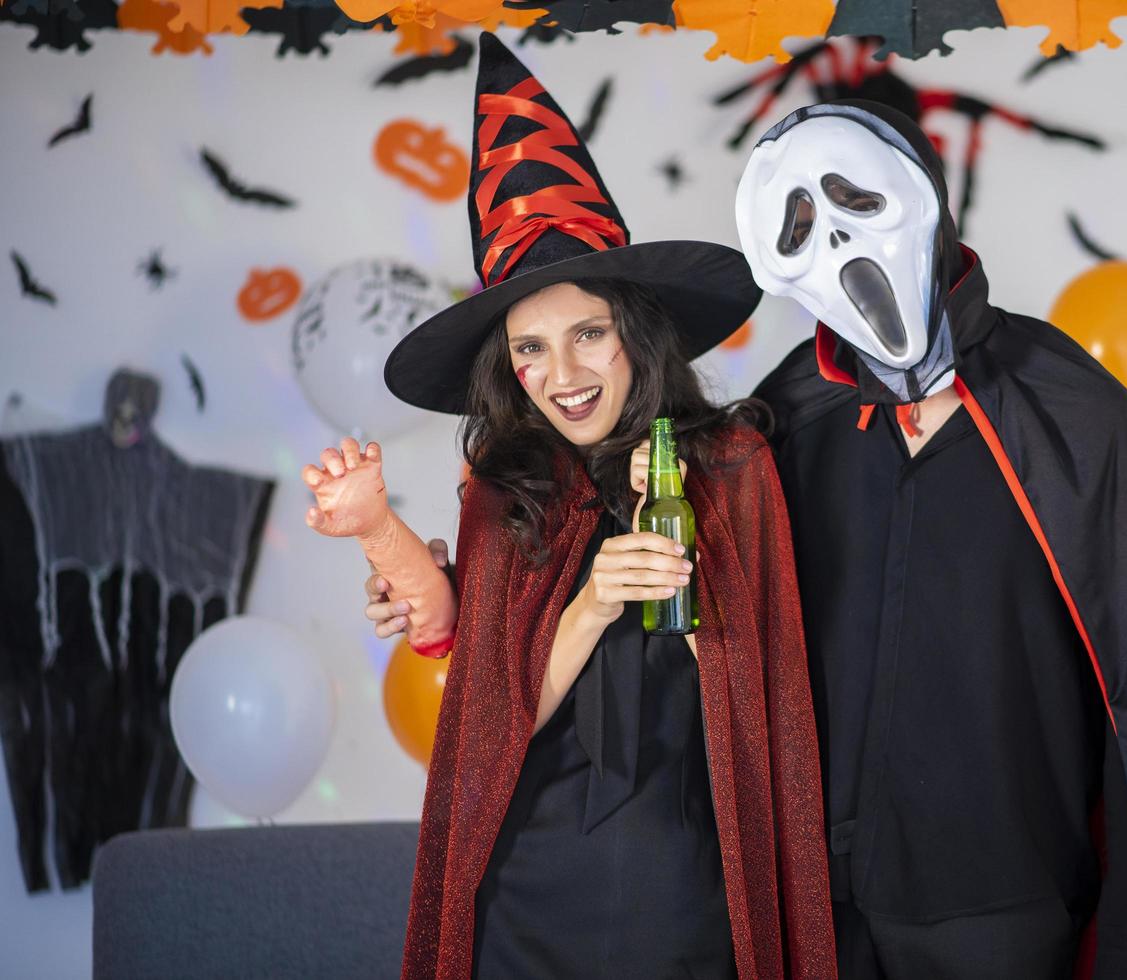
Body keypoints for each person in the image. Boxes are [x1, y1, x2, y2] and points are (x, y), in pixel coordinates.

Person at [305, 35, 835, 980]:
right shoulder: (503, 494)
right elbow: (495, 715)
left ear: (634, 331)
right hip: (529, 890)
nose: (564, 375)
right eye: (531, 349)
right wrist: (587, 602)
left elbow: (774, 697)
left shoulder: (731, 467)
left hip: (690, 888)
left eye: (588, 332)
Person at [736, 101, 1127, 979]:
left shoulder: (1071, 411)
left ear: (924, 194)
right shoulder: (781, 425)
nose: (840, 245)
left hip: (1009, 893)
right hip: (824, 900)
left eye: (855, 200)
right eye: (801, 225)